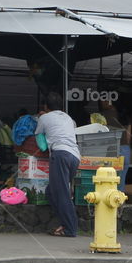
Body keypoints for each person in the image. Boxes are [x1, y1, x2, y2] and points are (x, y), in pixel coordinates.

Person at [35, 92, 81, 238]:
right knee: (51, 192)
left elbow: (39, 139)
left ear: (45, 106)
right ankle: (64, 223)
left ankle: (70, 229)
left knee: (62, 193)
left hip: (60, 155)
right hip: (75, 156)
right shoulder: (69, 118)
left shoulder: (44, 117)